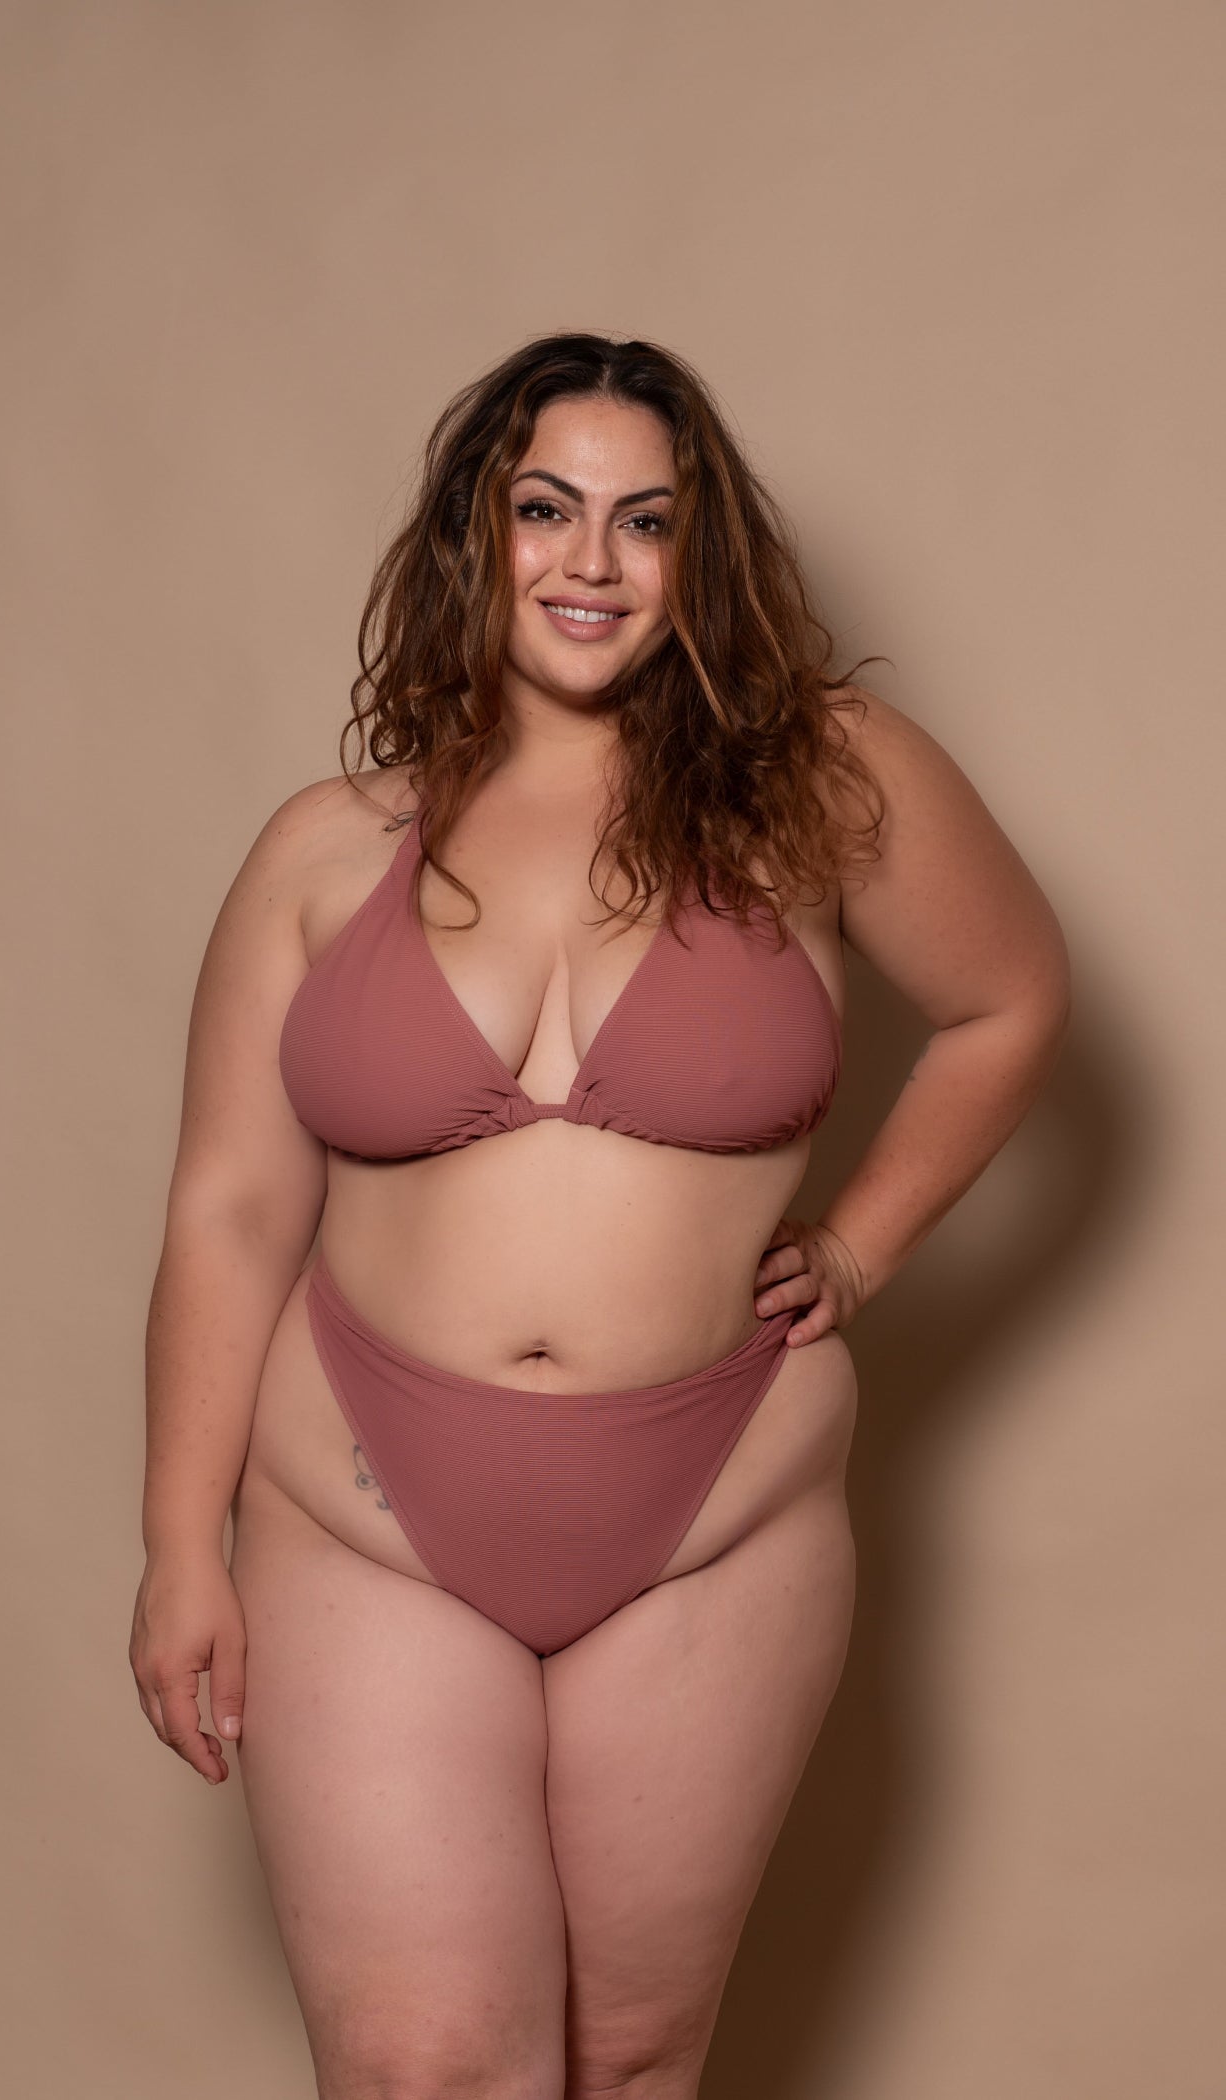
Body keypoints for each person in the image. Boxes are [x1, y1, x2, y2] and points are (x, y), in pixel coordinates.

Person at [129, 332, 1072, 2099]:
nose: (589, 562)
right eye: (543, 510)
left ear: (695, 557)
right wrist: (180, 1539)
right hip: (360, 1517)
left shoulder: (819, 782)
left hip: (714, 1507)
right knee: (425, 2068)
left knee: (631, 2062)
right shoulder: (326, 849)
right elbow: (231, 1205)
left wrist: (860, 1242)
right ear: (468, 538)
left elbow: (1009, 999)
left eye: (644, 522)